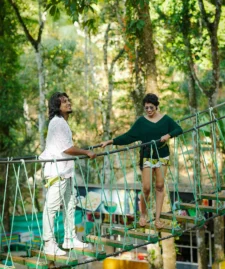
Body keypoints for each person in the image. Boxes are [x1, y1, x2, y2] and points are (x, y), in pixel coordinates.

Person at [100, 93, 182, 229]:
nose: (149, 110)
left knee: (160, 186)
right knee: (146, 187)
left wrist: (168, 135)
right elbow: (128, 136)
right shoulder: (141, 122)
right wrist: (111, 141)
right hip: (147, 156)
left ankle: (157, 219)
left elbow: (178, 129)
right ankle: (143, 215)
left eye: (151, 107)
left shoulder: (166, 119)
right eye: (146, 108)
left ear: (157, 107)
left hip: (162, 156)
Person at [39, 92, 96, 256]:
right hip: (57, 172)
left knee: (70, 206)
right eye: (64, 101)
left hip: (66, 171)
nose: (68, 103)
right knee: (51, 207)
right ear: (57, 106)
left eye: (68, 100)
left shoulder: (62, 123)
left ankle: (70, 238)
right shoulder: (58, 123)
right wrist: (86, 152)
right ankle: (49, 244)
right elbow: (66, 149)